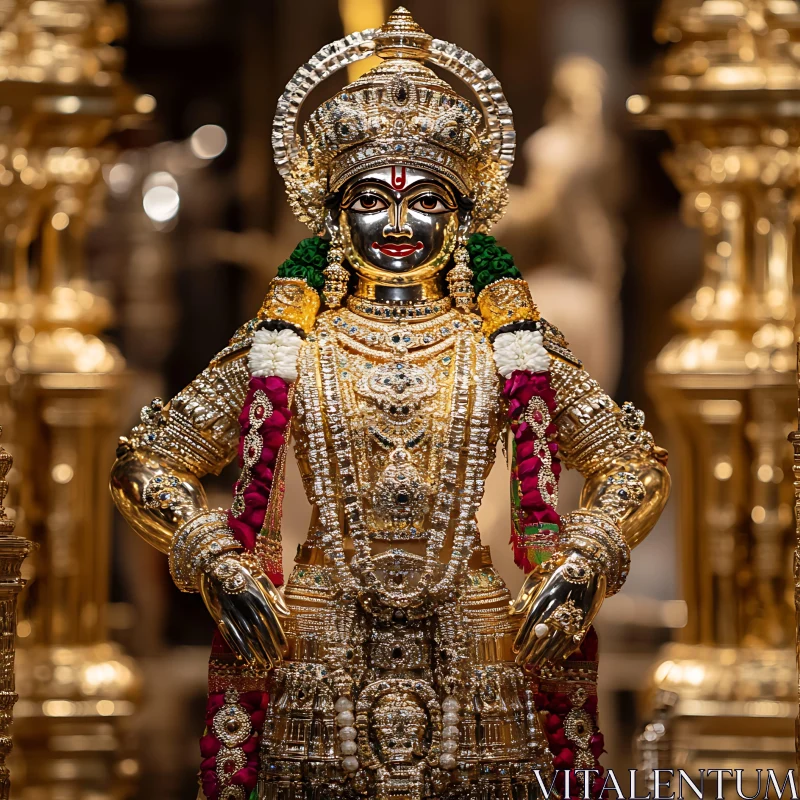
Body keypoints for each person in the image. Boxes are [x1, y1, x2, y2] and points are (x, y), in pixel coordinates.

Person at [110, 9, 670, 800]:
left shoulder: (502, 342)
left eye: (428, 202)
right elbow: (146, 463)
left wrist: (584, 562)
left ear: (462, 214)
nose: (400, 224)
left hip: (476, 659)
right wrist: (217, 562)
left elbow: (630, 465)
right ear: (336, 215)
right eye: (372, 198)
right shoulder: (291, 343)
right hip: (314, 656)